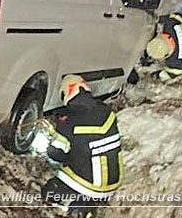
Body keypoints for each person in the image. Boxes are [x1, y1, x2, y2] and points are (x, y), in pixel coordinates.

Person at [34, 75, 122, 217]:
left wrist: (52, 139)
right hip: (113, 182)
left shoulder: (68, 123)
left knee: (49, 192)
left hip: (89, 184)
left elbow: (58, 156)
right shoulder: (107, 112)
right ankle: (89, 202)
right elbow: (87, 136)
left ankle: (76, 208)